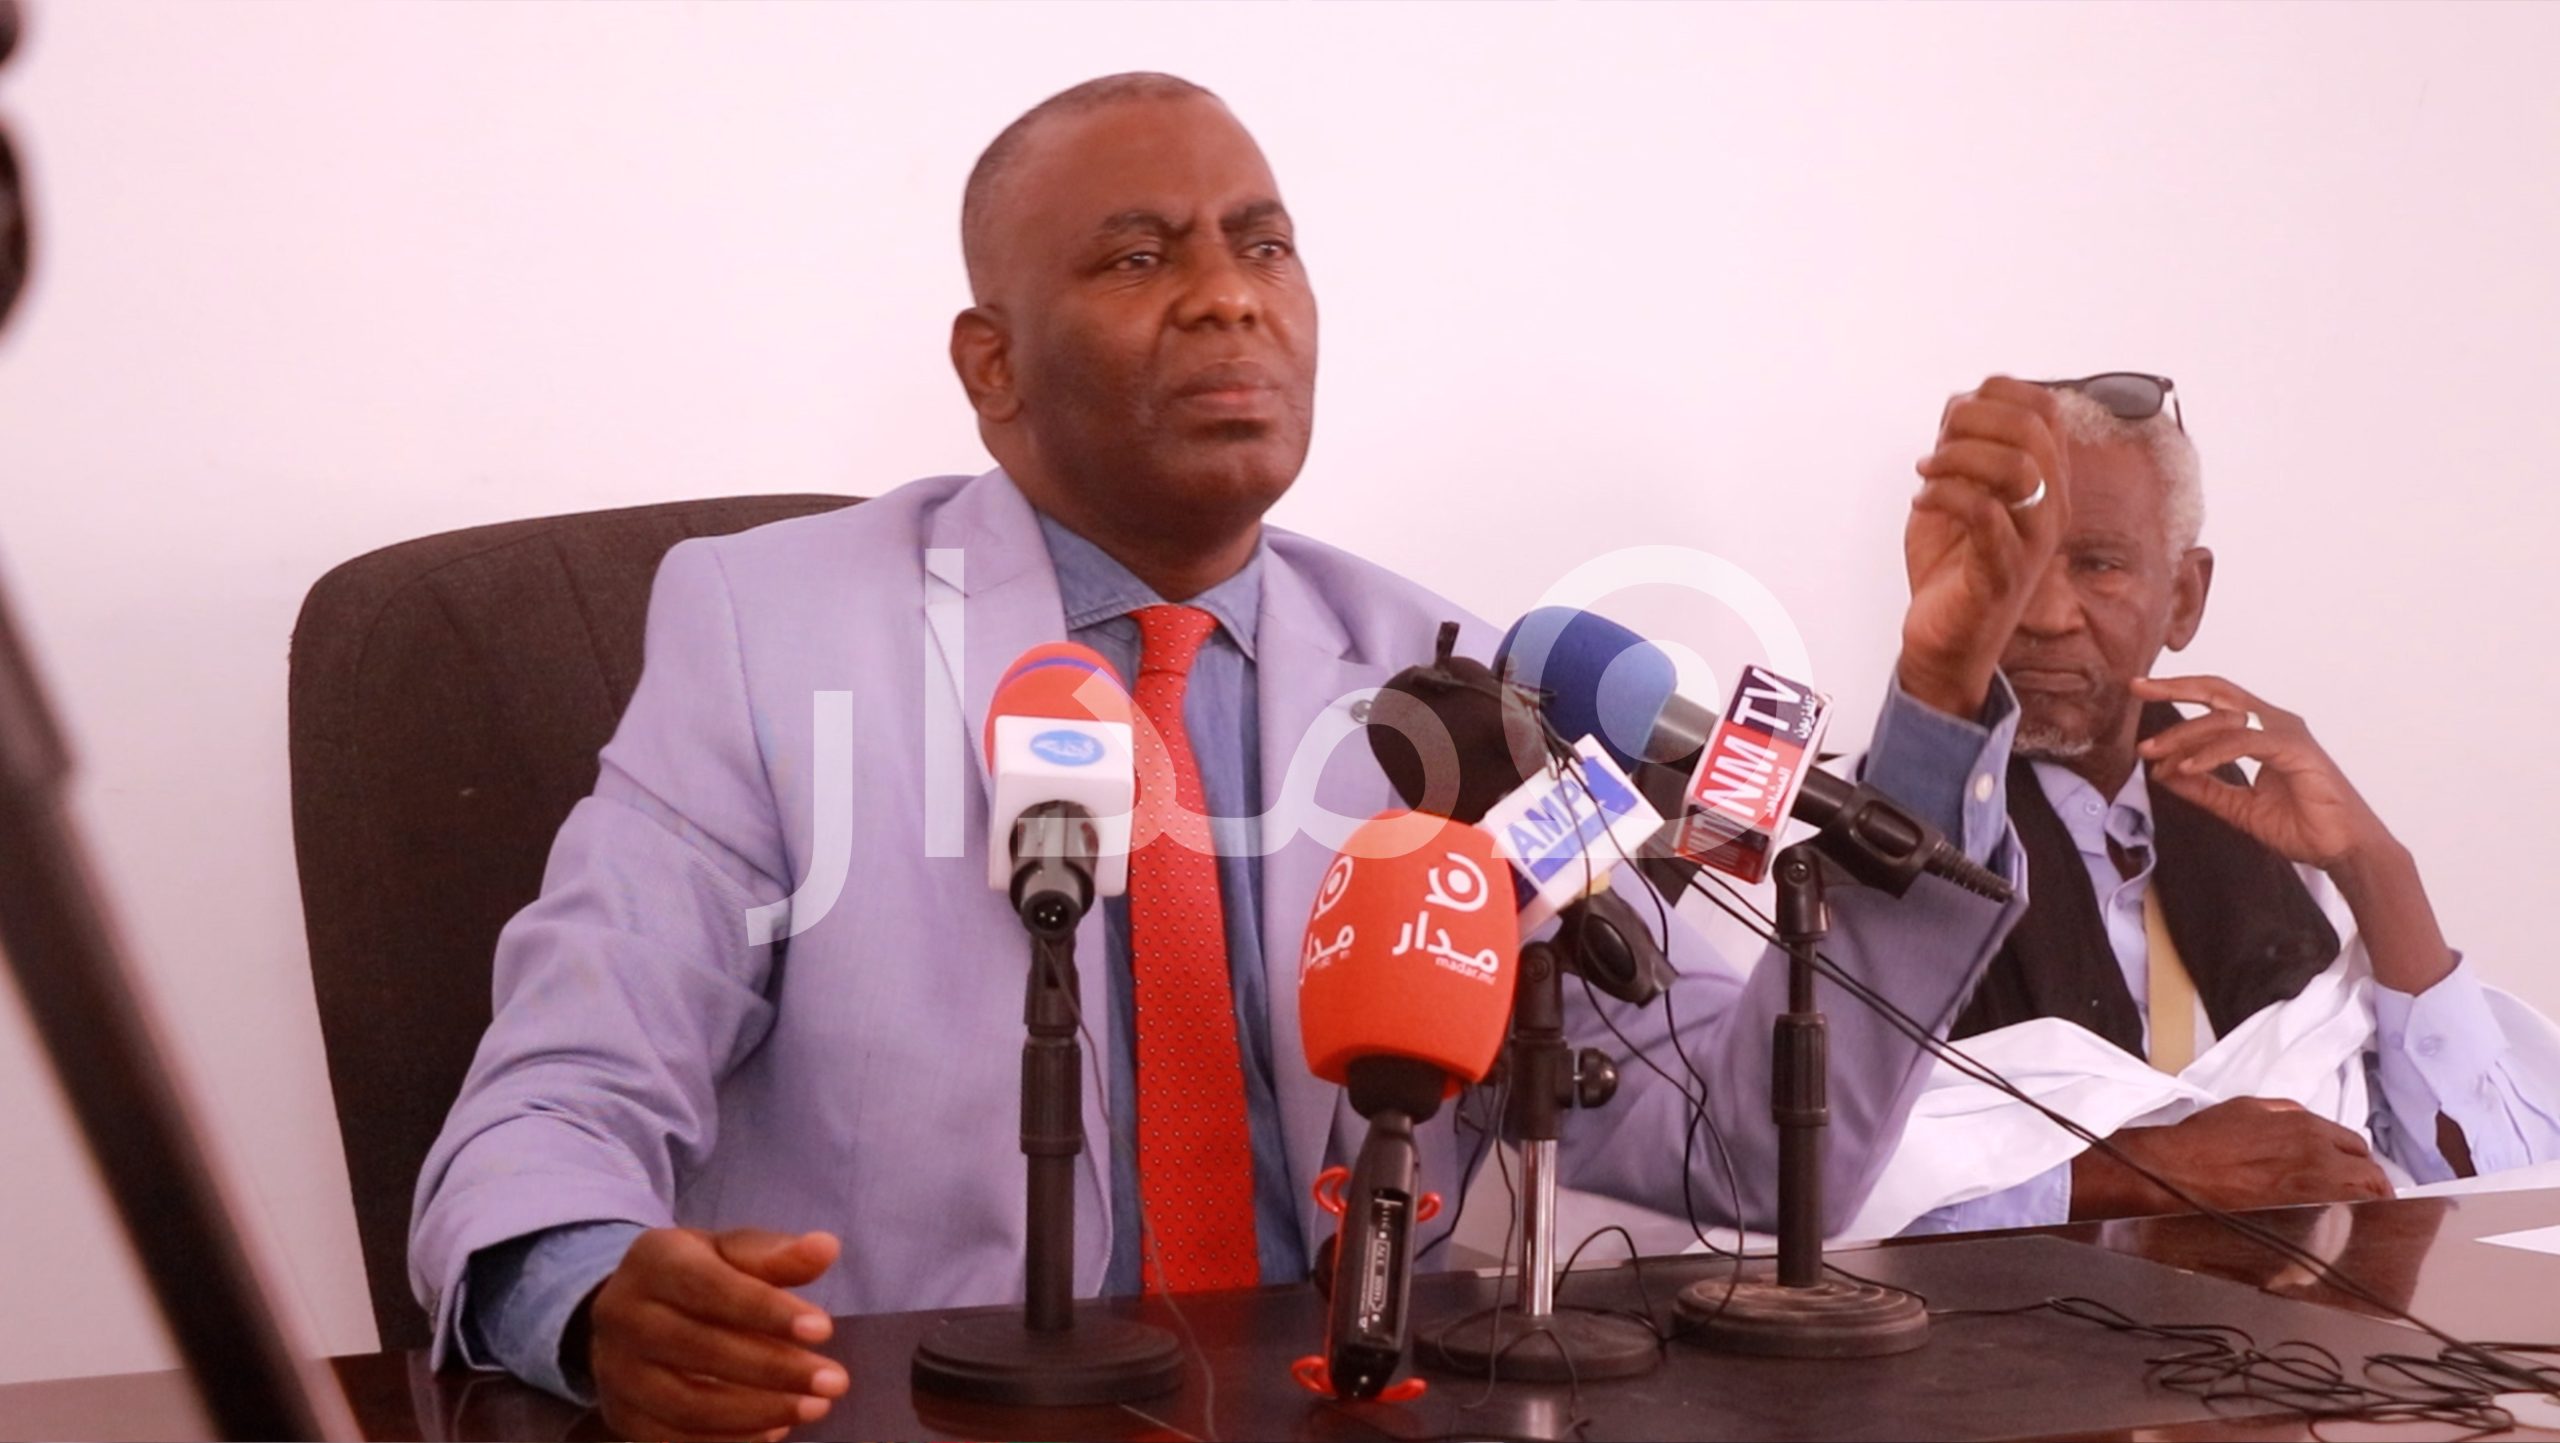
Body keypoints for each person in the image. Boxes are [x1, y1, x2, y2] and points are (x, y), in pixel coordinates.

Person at [411, 73, 2052, 1440]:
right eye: (1139, 256)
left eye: (1264, 244)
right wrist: (592, 1295)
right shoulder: (775, 636)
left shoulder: (1451, 686)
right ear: (991, 364)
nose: (1227, 293)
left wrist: (1937, 689)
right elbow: (560, 1091)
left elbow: (1745, 1142)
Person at [1877, 373, 2560, 1239]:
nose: (2046, 613)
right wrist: (2142, 1174)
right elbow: (1799, 1193)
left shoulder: (2272, 864)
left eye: (2097, 563)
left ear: (2184, 597)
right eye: (2010, 562)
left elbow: (2507, 1187)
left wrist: (2375, 868)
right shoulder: (1866, 848)